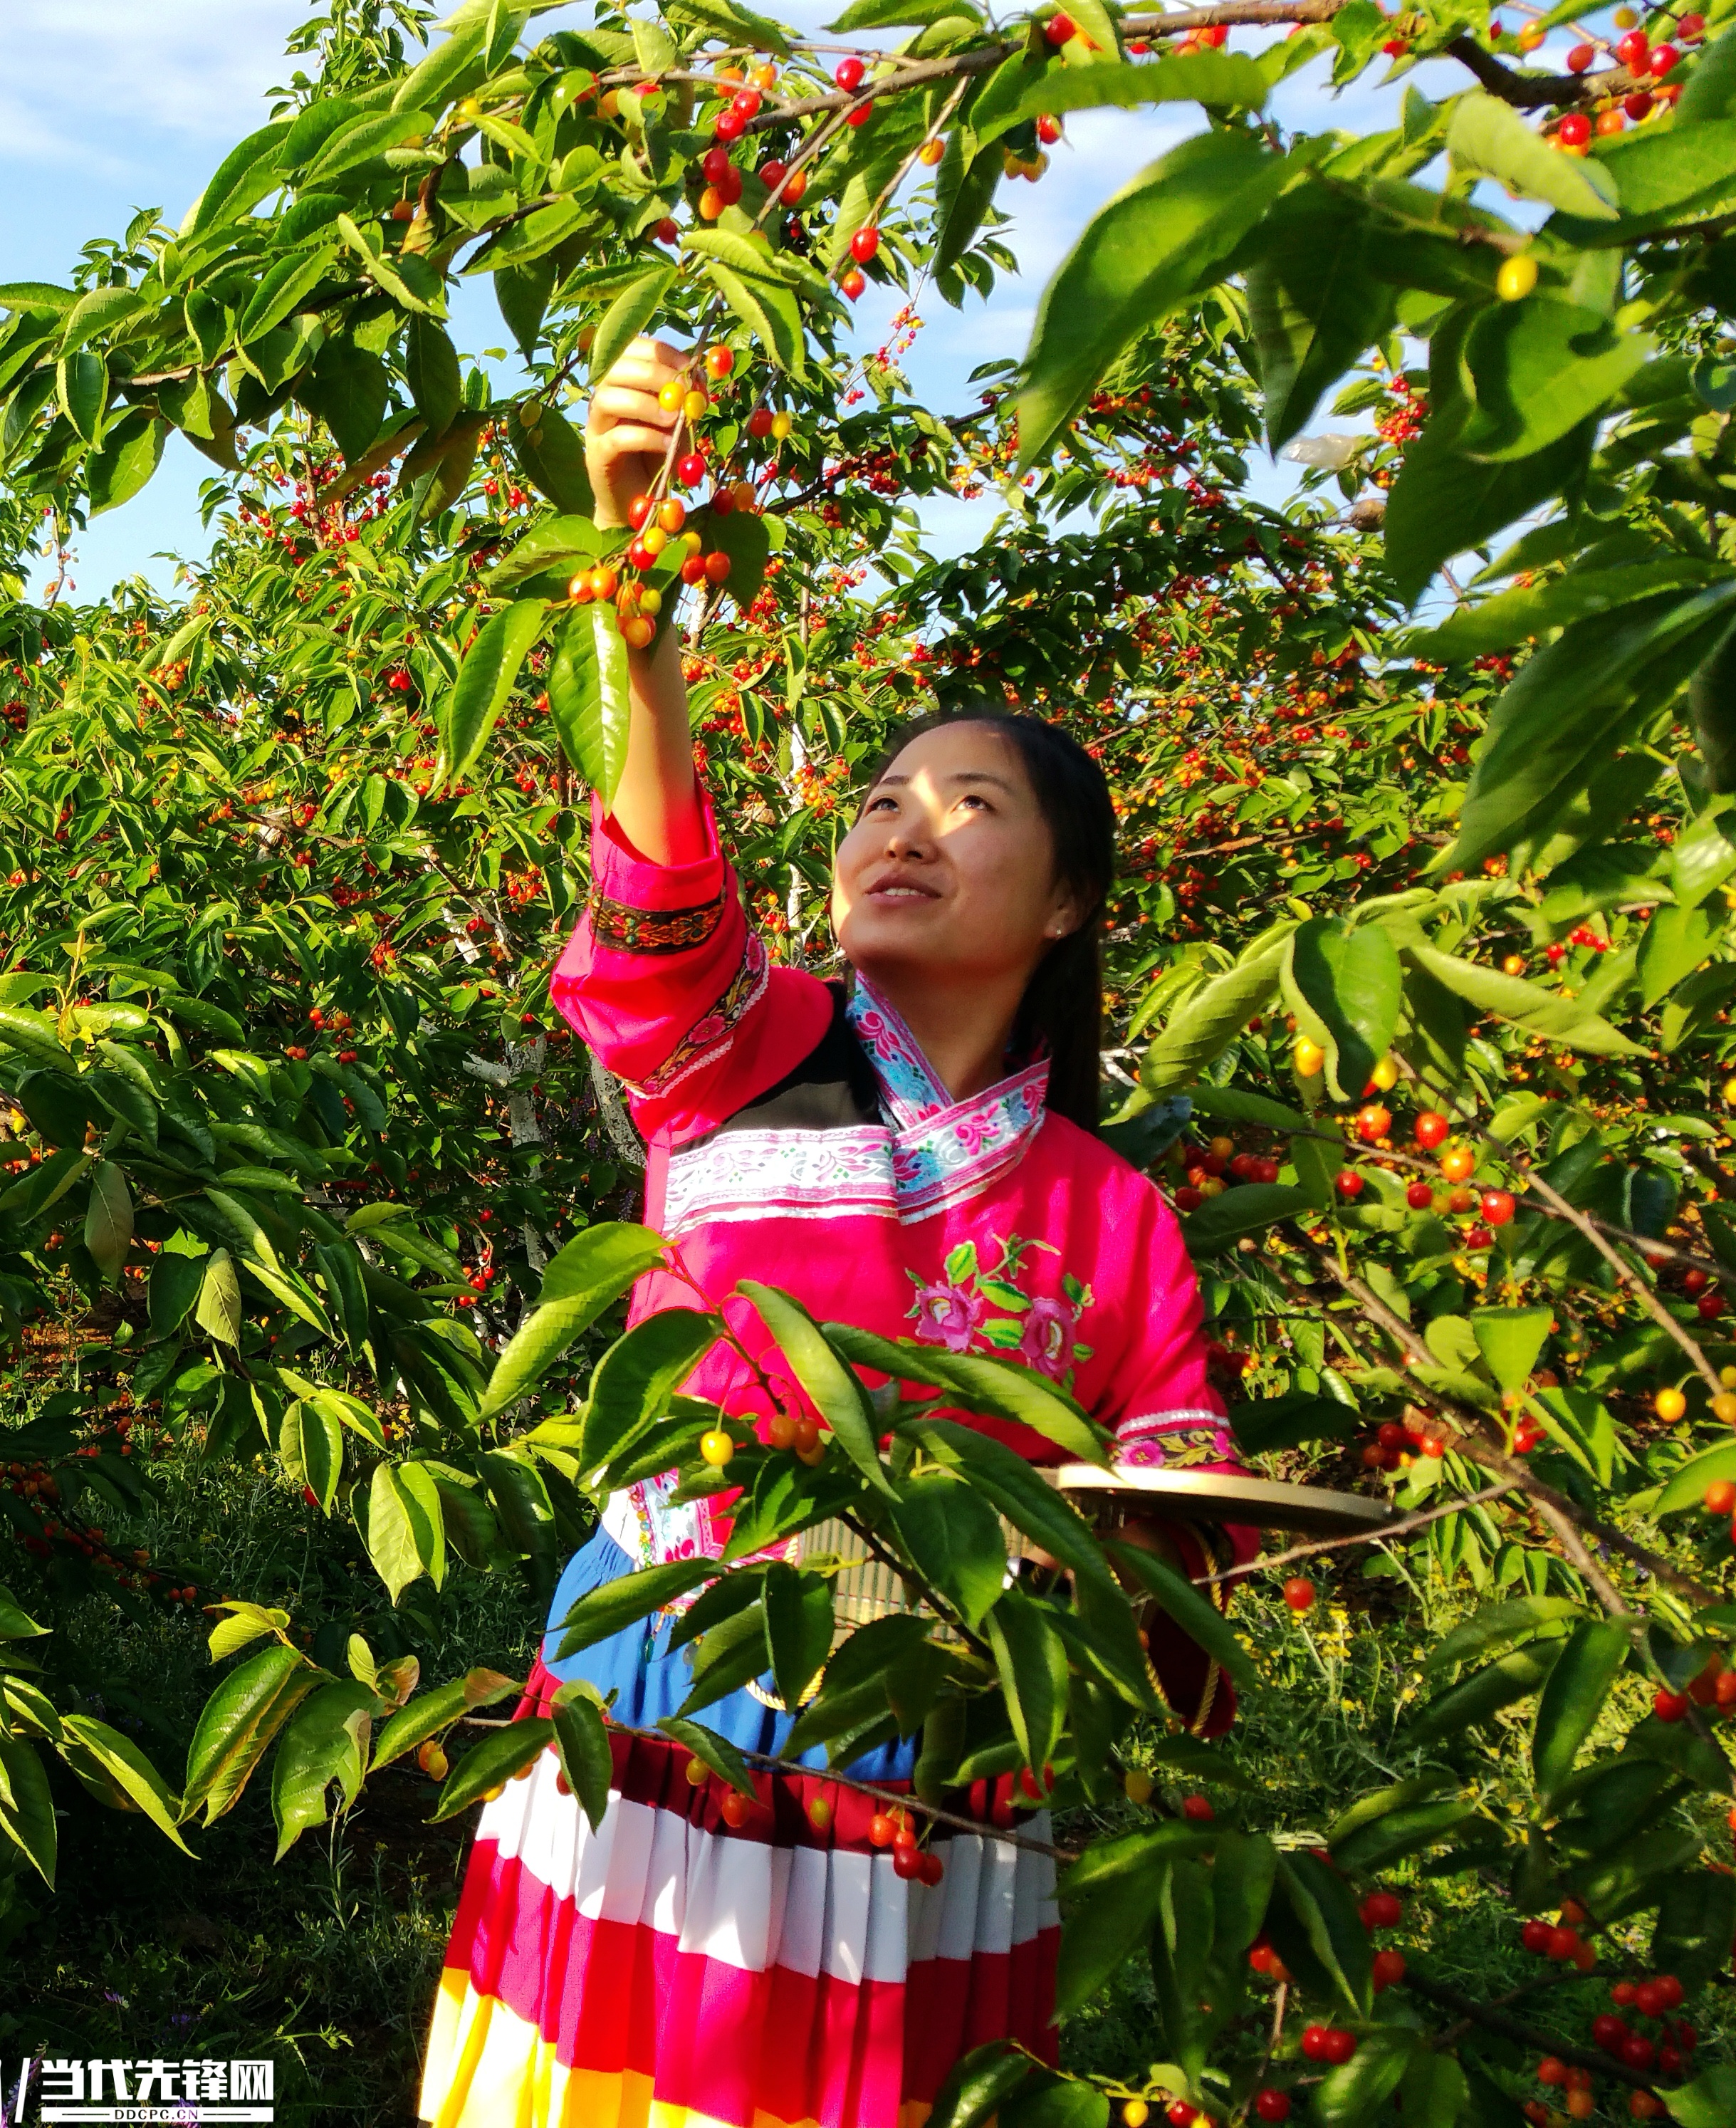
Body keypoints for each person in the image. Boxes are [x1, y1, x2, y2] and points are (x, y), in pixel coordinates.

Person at [417, 343, 1247, 2128]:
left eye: (970, 805)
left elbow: (1179, 1552)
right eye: (879, 800)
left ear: (1070, 902)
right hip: (677, 1692)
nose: (900, 828)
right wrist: (642, 631)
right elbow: (657, 900)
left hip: (940, 1760)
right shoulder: (746, 1045)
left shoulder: (1114, 1214)